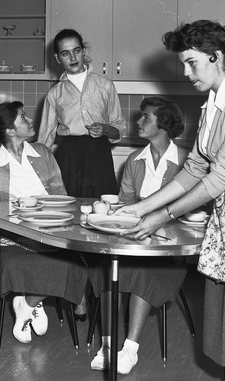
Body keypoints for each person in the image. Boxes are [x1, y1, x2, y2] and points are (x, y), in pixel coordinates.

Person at [116, 20, 225, 381]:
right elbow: (195, 167)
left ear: (216, 57)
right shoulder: (214, 102)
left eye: (191, 62)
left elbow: (221, 175)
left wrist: (162, 216)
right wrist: (140, 207)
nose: (185, 72)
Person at [89, 97, 189, 375]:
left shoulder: (187, 163)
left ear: (164, 124)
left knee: (142, 273)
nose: (138, 121)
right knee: (109, 268)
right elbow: (126, 202)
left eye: (146, 117)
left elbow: (195, 207)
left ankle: (130, 349)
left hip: (168, 249)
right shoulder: (135, 160)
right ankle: (108, 345)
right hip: (134, 240)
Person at [0, 101, 88, 344]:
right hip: (12, 237)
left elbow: (61, 196)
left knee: (79, 264)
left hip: (50, 232)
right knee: (66, 265)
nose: (30, 121)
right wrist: (26, 213)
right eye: (23, 118)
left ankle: (28, 304)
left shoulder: (43, 153)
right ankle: (33, 302)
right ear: (10, 131)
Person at [37, 28, 126, 198]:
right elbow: (44, 140)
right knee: (69, 209)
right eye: (65, 53)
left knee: (102, 209)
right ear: (57, 58)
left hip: (99, 155)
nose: (72, 58)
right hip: (69, 157)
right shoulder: (55, 94)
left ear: (83, 52)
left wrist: (105, 129)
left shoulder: (104, 85)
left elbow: (119, 128)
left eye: (76, 51)